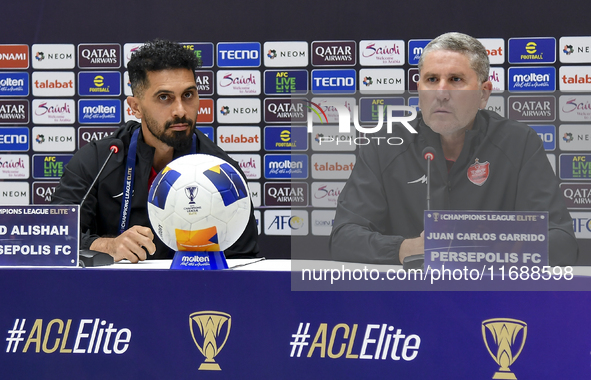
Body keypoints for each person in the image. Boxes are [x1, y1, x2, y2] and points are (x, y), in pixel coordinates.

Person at [329, 32, 578, 266]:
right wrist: (405, 249)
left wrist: (485, 248)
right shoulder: (385, 144)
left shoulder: (518, 142)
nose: (441, 93)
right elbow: (344, 238)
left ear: (483, 93)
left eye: (455, 80)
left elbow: (561, 241)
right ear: (419, 89)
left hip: (492, 295)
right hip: (405, 298)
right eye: (432, 79)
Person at [52, 39, 259, 263]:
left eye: (188, 95)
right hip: (112, 294)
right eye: (164, 98)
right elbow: (53, 236)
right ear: (136, 107)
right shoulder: (96, 161)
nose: (180, 110)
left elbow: (242, 261)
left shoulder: (223, 171)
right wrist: (108, 246)